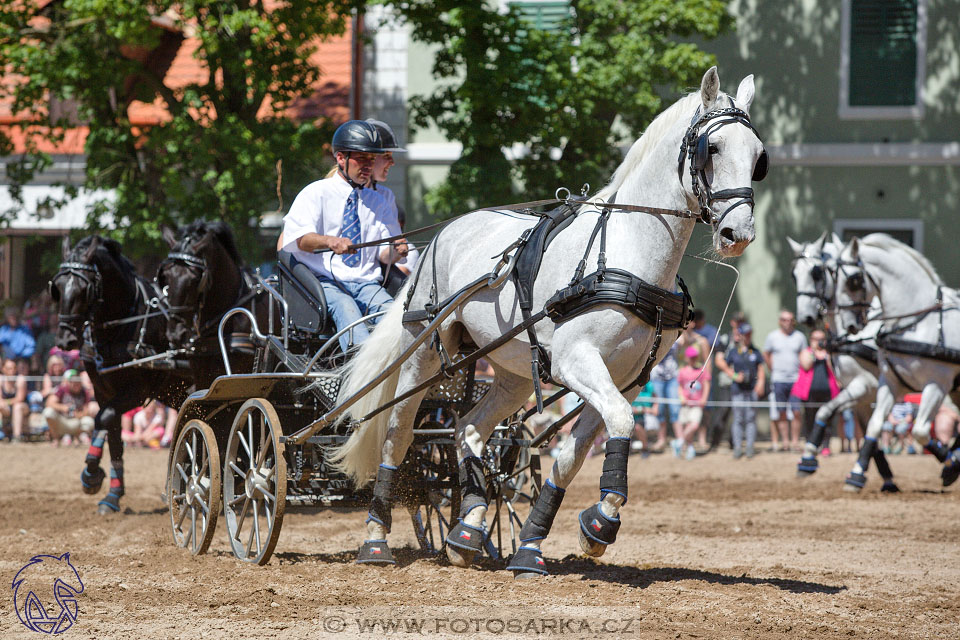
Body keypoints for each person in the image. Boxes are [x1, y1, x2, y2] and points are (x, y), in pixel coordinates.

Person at [280, 120, 408, 352]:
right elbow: (299, 240)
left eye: (372, 159)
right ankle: (359, 370)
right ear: (341, 158)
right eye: (362, 158)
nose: (368, 165)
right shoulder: (315, 193)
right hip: (326, 282)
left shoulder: (379, 201)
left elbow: (384, 256)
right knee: (346, 308)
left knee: (395, 319)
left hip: (367, 284)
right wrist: (331, 241)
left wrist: (397, 251)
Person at [716, 323, 765, 458]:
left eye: (750, 334)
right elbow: (723, 365)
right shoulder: (733, 352)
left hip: (751, 391)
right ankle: (737, 447)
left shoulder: (755, 351)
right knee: (738, 419)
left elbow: (760, 369)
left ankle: (749, 447)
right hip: (737, 390)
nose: (748, 337)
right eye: (746, 334)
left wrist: (760, 384)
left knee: (750, 419)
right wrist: (734, 375)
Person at [763, 310, 807, 452]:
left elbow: (804, 356)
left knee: (796, 412)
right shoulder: (772, 337)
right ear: (779, 321)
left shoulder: (800, 337)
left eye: (790, 319)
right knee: (781, 412)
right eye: (784, 319)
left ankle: (795, 442)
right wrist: (773, 370)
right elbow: (766, 354)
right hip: (779, 380)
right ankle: (785, 442)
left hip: (796, 380)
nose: (787, 322)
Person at [791, 329, 840, 455]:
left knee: (827, 420)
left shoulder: (829, 353)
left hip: (828, 393)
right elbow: (806, 365)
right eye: (816, 339)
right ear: (811, 340)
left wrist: (827, 355)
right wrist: (814, 352)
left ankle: (825, 446)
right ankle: (811, 444)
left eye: (821, 339)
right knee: (810, 419)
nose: (819, 342)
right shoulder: (806, 352)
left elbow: (834, 370)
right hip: (810, 394)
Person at [706, 311, 746, 452]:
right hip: (727, 383)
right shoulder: (724, 339)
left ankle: (734, 443)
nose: (739, 324)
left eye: (742, 321)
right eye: (737, 321)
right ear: (732, 322)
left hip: (743, 385)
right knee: (722, 412)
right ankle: (714, 443)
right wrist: (733, 375)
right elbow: (719, 361)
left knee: (739, 414)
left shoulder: (746, 340)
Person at [674, 346, 711, 460]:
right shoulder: (682, 372)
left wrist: (704, 398)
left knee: (694, 425)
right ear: (686, 358)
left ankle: (679, 442)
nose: (693, 359)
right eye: (691, 357)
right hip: (686, 405)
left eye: (694, 357)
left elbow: (706, 384)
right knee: (686, 425)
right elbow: (680, 387)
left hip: (697, 404)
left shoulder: (701, 371)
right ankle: (689, 447)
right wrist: (681, 397)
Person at [43, 369, 95, 446]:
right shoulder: (62, 389)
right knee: (48, 412)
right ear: (69, 382)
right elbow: (49, 403)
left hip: (76, 422)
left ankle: (76, 437)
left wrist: (79, 415)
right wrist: (63, 407)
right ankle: (56, 438)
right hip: (62, 420)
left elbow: (87, 410)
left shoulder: (84, 392)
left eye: (77, 382)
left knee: (89, 422)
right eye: (73, 382)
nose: (76, 385)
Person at [649, 342, 680, 452]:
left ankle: (680, 440)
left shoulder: (675, 334)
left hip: (672, 377)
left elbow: (685, 341)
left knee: (675, 409)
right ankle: (661, 440)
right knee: (660, 410)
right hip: (657, 378)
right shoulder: (654, 335)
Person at [0, 357, 28, 441]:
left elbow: (20, 398)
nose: (12, 370)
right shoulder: (1, 379)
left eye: (14, 368)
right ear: (3, 369)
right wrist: (3, 403)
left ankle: (17, 436)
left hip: (23, 407)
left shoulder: (20, 379)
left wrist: (6, 402)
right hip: (6, 408)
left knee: (17, 407)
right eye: (9, 368)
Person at [630, 380, 659, 455]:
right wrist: (644, 409)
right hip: (632, 415)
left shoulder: (649, 385)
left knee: (638, 427)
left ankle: (645, 448)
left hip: (646, 417)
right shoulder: (630, 385)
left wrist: (654, 409)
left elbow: (655, 399)